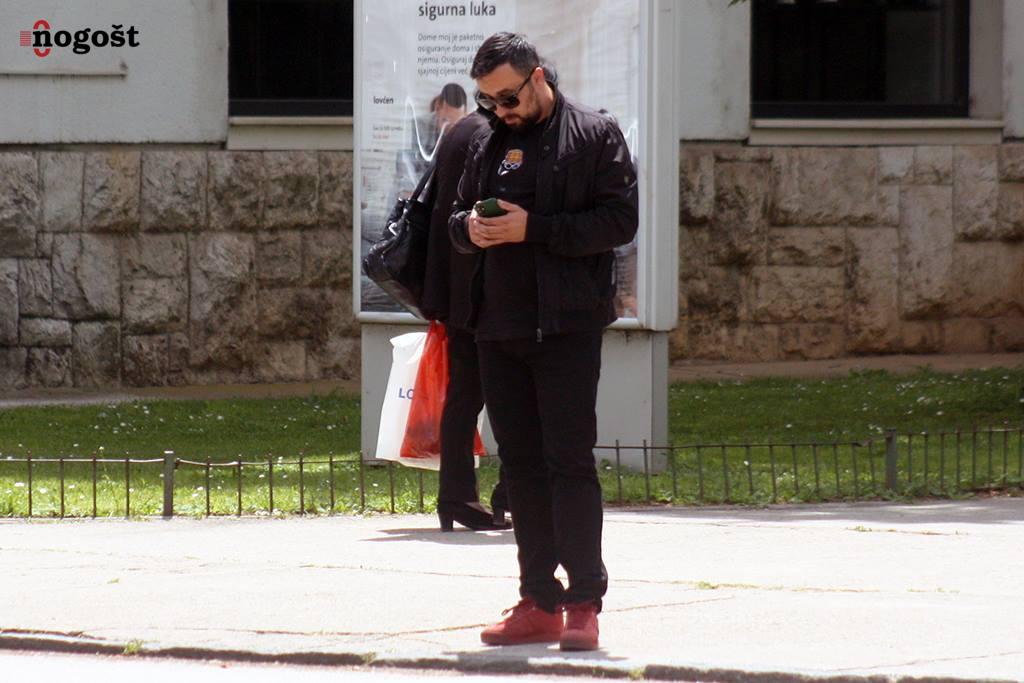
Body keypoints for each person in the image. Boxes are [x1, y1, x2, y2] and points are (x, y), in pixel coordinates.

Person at [447, 33, 638, 651]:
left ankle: (583, 601)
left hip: (565, 328)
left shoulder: (594, 133)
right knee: (520, 467)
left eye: (508, 97)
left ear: (537, 78)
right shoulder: (487, 140)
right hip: (497, 327)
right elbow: (453, 218)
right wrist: (470, 229)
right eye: (488, 100)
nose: (499, 110)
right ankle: (538, 599)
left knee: (569, 462)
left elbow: (619, 221)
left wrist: (536, 229)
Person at [420, 97, 510, 533]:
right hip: (486, 288)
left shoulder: (460, 130)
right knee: (513, 394)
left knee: (463, 398)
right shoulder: (492, 135)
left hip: (458, 286)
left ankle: (455, 495)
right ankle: (510, 492)